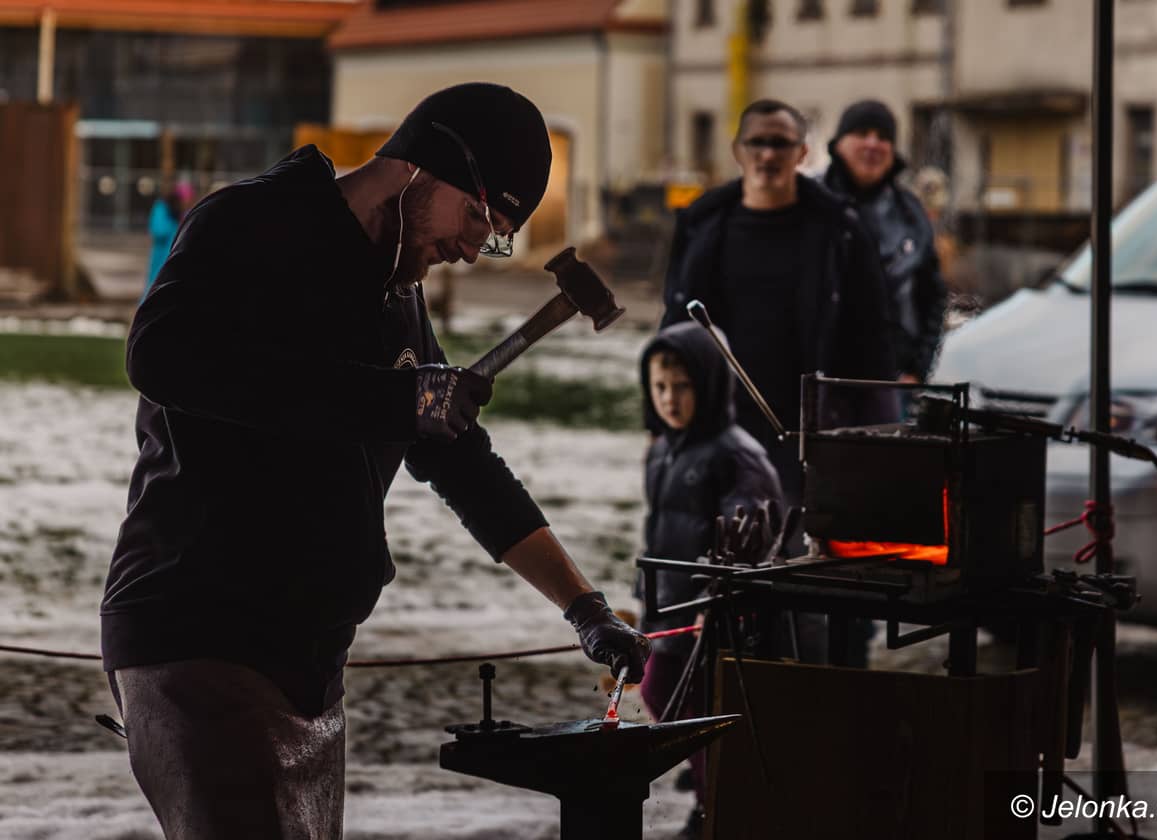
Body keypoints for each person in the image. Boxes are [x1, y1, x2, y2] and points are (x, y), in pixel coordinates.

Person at [101, 82, 651, 839]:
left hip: (309, 664)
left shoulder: (398, 296)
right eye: (478, 218)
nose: (471, 248)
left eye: (494, 237)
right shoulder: (255, 222)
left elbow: (463, 465)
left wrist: (585, 609)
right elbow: (160, 355)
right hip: (197, 637)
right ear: (424, 164)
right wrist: (393, 401)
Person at [660, 98, 897, 669]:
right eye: (758, 143)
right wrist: (660, 428)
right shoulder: (704, 224)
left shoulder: (839, 229)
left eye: (781, 144)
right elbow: (673, 336)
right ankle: (714, 702)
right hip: (721, 437)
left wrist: (875, 440)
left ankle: (817, 697)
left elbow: (872, 341)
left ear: (802, 153)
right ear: (738, 151)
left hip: (812, 440)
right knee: (710, 585)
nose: (768, 155)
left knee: (810, 595)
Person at [636, 321, 783, 838]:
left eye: (682, 386)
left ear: (711, 384)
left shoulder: (737, 456)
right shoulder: (663, 448)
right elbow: (658, 529)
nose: (669, 399)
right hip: (666, 610)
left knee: (700, 713)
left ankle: (713, 810)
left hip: (710, 619)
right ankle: (707, 786)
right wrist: (643, 597)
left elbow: (752, 534)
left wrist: (714, 599)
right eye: (660, 387)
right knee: (660, 695)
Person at [822, 99, 948, 385]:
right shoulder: (810, 204)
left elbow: (932, 297)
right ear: (839, 143)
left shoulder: (910, 213)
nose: (873, 144)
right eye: (862, 133)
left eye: (883, 137)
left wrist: (918, 368)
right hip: (817, 383)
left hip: (890, 382)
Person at [143, 180, 194, 298]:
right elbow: (158, 230)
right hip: (162, 255)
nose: (187, 202)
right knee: (155, 286)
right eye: (185, 199)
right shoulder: (162, 208)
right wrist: (175, 223)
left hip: (177, 258)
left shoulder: (186, 212)